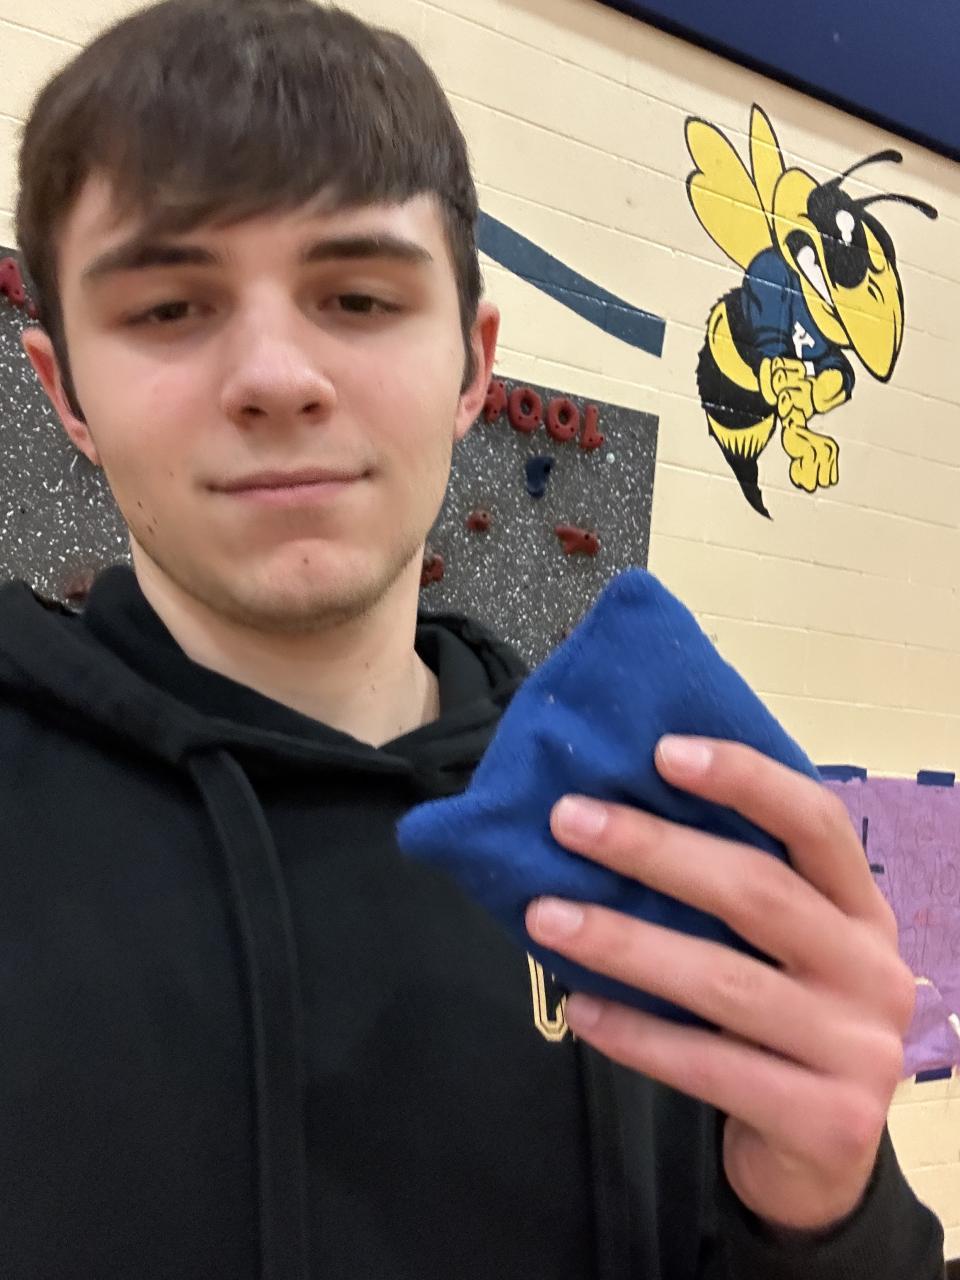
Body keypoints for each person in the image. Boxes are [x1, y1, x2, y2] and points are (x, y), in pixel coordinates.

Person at [0, 1, 944, 1276]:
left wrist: (827, 1214)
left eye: (357, 295)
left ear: (471, 368)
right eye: (169, 308)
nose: (275, 376)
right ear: (65, 391)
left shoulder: (650, 827)